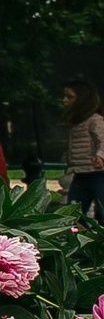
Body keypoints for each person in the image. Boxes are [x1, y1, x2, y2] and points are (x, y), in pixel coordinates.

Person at [61, 79, 104, 218]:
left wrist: (100, 156)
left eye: (69, 97)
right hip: (80, 173)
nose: (64, 100)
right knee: (74, 214)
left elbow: (102, 140)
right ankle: (77, 237)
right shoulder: (76, 123)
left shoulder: (95, 120)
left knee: (102, 212)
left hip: (98, 174)